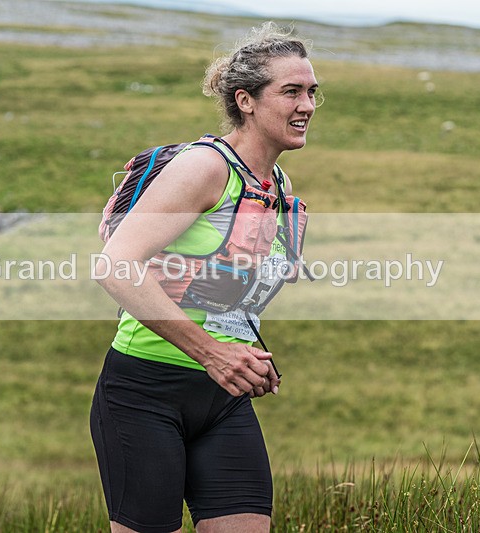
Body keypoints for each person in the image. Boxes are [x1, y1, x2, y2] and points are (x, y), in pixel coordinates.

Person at [90, 21, 318, 533]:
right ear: (246, 101)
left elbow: (226, 291)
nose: (306, 105)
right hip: (144, 393)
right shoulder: (206, 168)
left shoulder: (276, 185)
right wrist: (214, 353)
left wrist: (242, 351)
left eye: (311, 92)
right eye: (291, 92)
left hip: (222, 400)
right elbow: (114, 264)